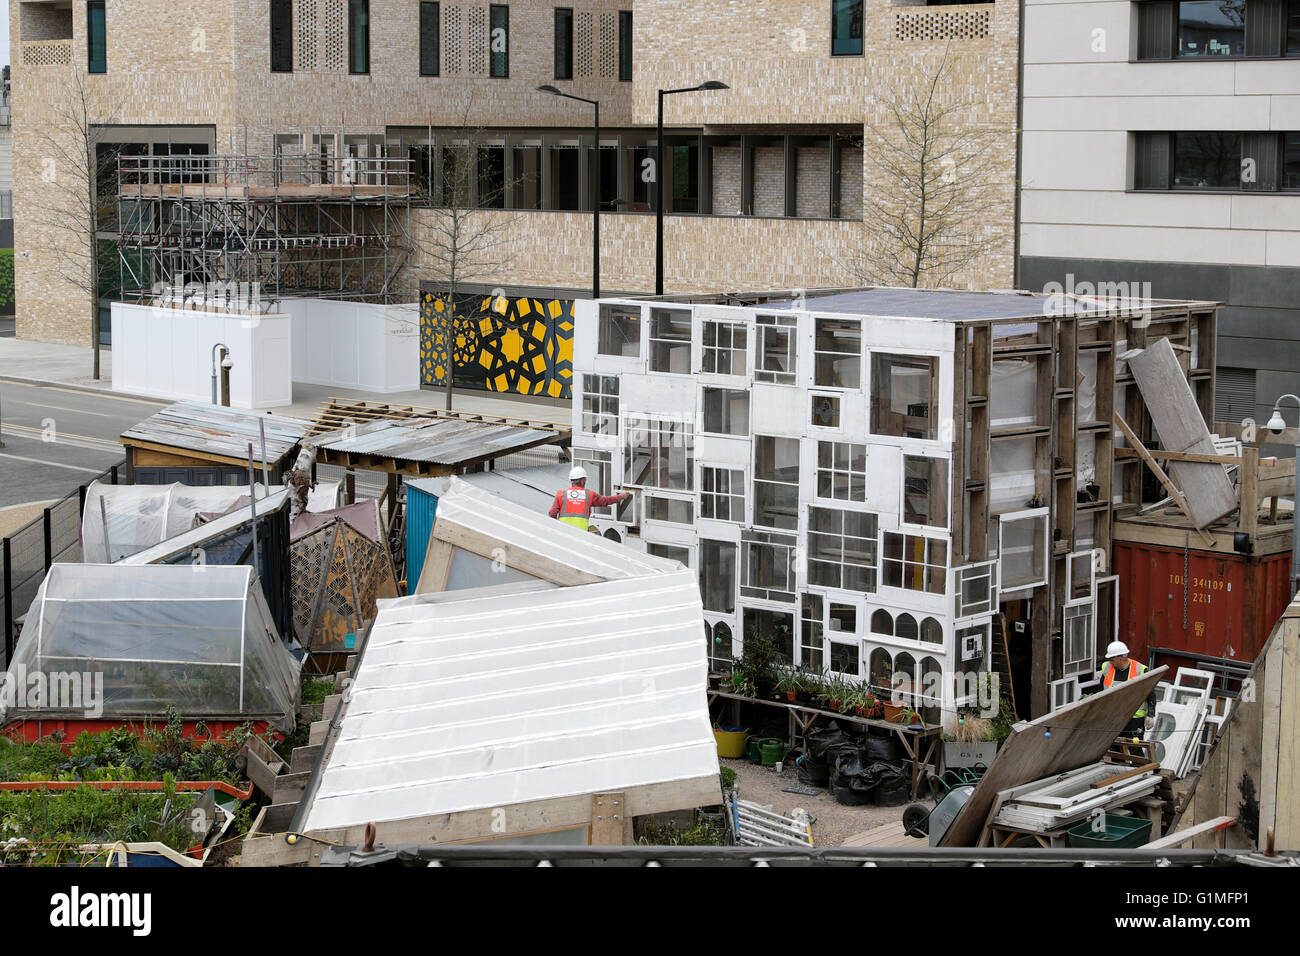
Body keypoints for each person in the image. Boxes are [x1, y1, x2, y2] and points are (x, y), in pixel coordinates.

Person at [1100, 641, 1157, 739]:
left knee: (1134, 749)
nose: (1110, 662)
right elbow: (1101, 688)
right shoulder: (1107, 667)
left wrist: (1150, 715)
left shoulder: (1140, 670)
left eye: (1112, 659)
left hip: (1134, 718)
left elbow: (1151, 694)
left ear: (1121, 658)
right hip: (1113, 716)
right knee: (1115, 748)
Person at [549, 466, 631, 531]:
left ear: (571, 480)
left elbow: (552, 513)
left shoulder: (561, 494)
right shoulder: (589, 494)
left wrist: (558, 527)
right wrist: (620, 496)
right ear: (583, 481)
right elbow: (605, 501)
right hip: (581, 534)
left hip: (564, 531)